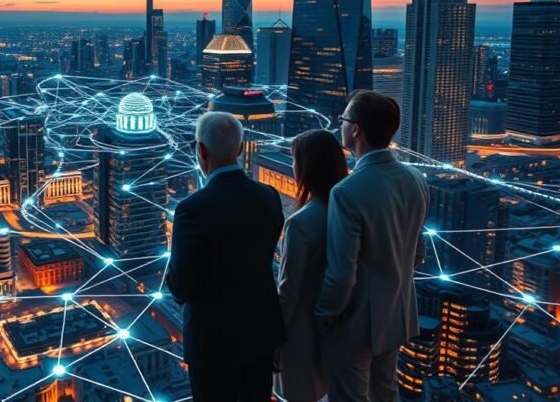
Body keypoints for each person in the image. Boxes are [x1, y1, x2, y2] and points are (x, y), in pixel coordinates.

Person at [315, 90, 430, 402]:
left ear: (356, 130)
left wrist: (322, 316)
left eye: (343, 119)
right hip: (397, 313)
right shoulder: (416, 179)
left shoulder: (347, 192)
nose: (339, 124)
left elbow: (342, 275)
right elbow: (417, 253)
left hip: (354, 322)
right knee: (385, 393)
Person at [166, 111, 285, 402]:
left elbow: (180, 283)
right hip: (260, 335)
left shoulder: (192, 209)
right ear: (241, 149)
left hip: (213, 345)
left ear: (201, 150)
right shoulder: (268, 197)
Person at [274, 129, 349, 402]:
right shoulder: (347, 214)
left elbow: (288, 291)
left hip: (300, 334)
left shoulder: (300, 223)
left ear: (306, 167)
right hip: (339, 328)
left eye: (295, 161)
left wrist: (273, 338)